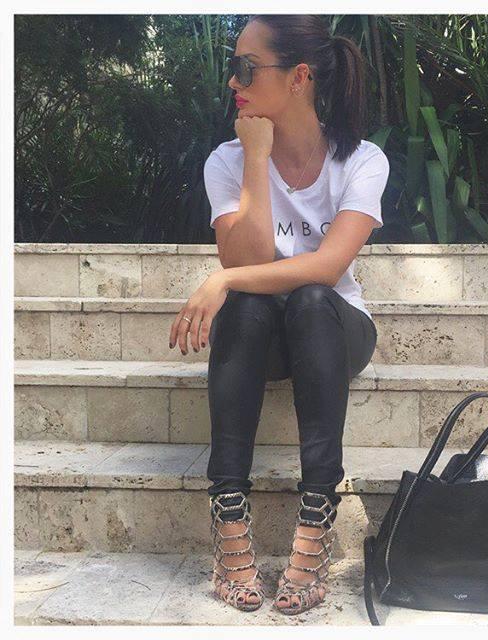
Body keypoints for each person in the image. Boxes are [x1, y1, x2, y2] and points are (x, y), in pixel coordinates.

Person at [170, 14, 389, 615]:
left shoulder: (361, 160)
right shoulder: (226, 160)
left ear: (298, 77)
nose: (233, 81)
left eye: (247, 68)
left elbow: (329, 266)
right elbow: (251, 259)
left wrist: (223, 278)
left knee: (312, 299)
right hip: (261, 335)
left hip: (335, 328)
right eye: (233, 66)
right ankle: (229, 524)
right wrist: (255, 159)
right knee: (247, 306)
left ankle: (315, 524)